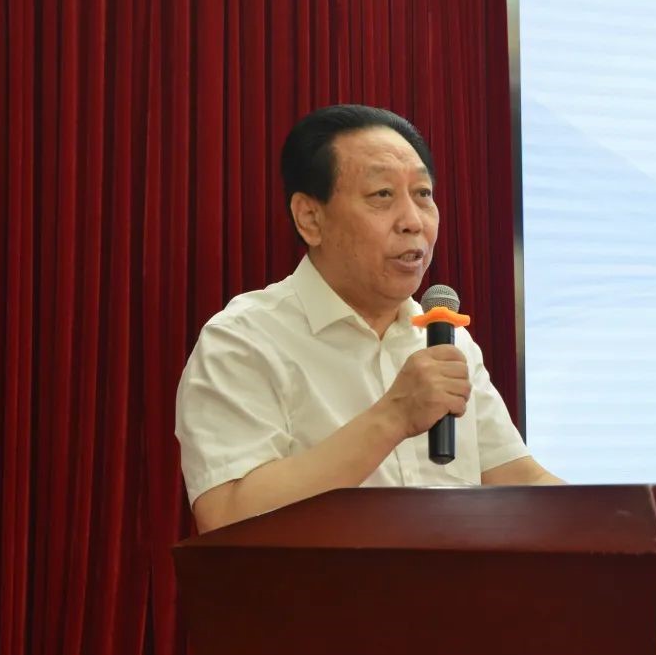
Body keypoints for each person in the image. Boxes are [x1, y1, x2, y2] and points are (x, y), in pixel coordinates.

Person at [176, 104, 561, 536]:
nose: (413, 222)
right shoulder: (243, 340)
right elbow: (227, 517)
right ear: (310, 218)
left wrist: (616, 522)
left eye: (423, 194)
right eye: (382, 195)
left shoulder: (445, 339)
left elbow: (519, 479)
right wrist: (393, 417)